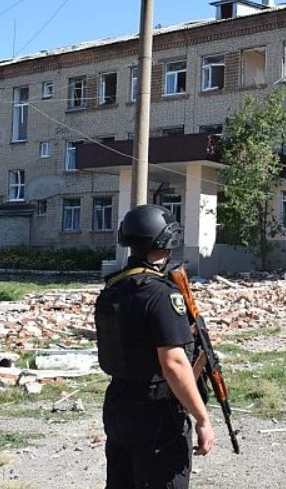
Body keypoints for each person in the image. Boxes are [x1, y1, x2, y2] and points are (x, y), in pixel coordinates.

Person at [95, 204, 215, 488]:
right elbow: (174, 363)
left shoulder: (113, 289)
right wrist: (202, 418)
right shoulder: (160, 295)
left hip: (119, 402)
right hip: (156, 410)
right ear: (167, 240)